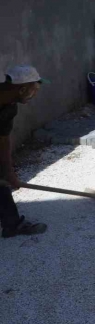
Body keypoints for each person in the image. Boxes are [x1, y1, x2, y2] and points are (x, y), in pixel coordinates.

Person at [0, 66, 49, 238]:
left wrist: (9, 173)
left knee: (2, 183)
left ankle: (12, 224)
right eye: (34, 89)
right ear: (22, 89)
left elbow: (3, 139)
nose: (35, 93)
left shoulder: (9, 107)